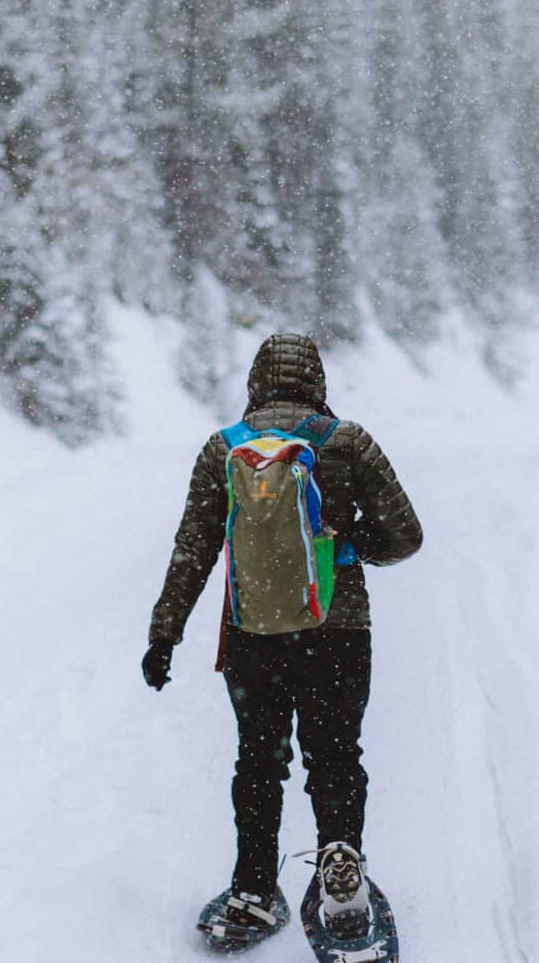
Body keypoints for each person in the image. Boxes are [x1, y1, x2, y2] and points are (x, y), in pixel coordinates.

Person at [142, 332, 423, 941]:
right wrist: (347, 546)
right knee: (335, 756)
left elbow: (191, 551)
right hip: (337, 631)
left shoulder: (224, 449)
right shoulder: (347, 442)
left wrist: (165, 634)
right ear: (317, 383)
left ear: (255, 384)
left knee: (259, 760)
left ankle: (251, 890)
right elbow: (406, 536)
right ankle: (338, 878)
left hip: (254, 634)